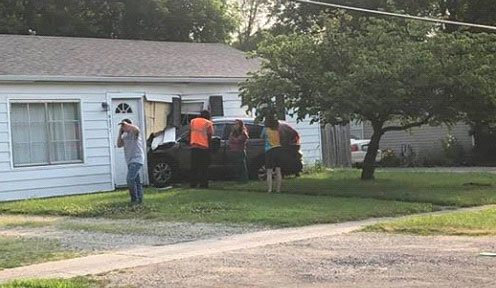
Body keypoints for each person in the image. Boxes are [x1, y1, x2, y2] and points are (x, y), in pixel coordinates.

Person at [117, 119, 145, 204]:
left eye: (124, 126)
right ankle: (139, 200)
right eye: (122, 126)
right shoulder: (124, 136)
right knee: (136, 181)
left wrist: (128, 125)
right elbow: (119, 145)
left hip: (137, 159)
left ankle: (134, 199)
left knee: (129, 179)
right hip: (129, 161)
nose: (123, 127)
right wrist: (120, 133)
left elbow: (137, 129)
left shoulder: (134, 133)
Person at [190, 110, 214, 188]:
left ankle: (193, 183)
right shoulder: (208, 123)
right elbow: (210, 136)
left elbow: (190, 132)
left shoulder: (193, 121)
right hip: (204, 147)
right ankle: (203, 184)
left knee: (194, 167)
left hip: (194, 146)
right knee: (204, 167)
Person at [261, 114, 283, 193]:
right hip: (278, 149)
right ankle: (278, 190)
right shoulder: (278, 129)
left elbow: (261, 136)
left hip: (269, 150)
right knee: (278, 170)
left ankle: (270, 189)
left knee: (269, 171)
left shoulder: (265, 129)